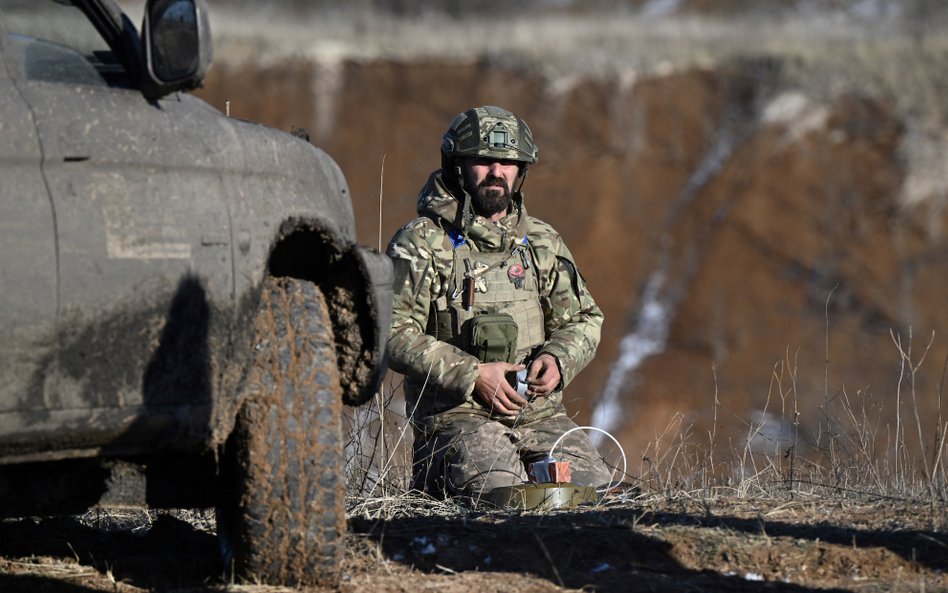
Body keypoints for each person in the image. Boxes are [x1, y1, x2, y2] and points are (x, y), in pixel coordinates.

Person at [386, 105, 612, 500]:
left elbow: (584, 318)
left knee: (594, 500)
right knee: (503, 501)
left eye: (508, 163)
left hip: (540, 417)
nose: (496, 172)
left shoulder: (541, 242)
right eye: (483, 160)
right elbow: (389, 331)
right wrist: (473, 375)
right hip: (456, 419)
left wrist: (558, 359)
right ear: (458, 165)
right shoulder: (421, 243)